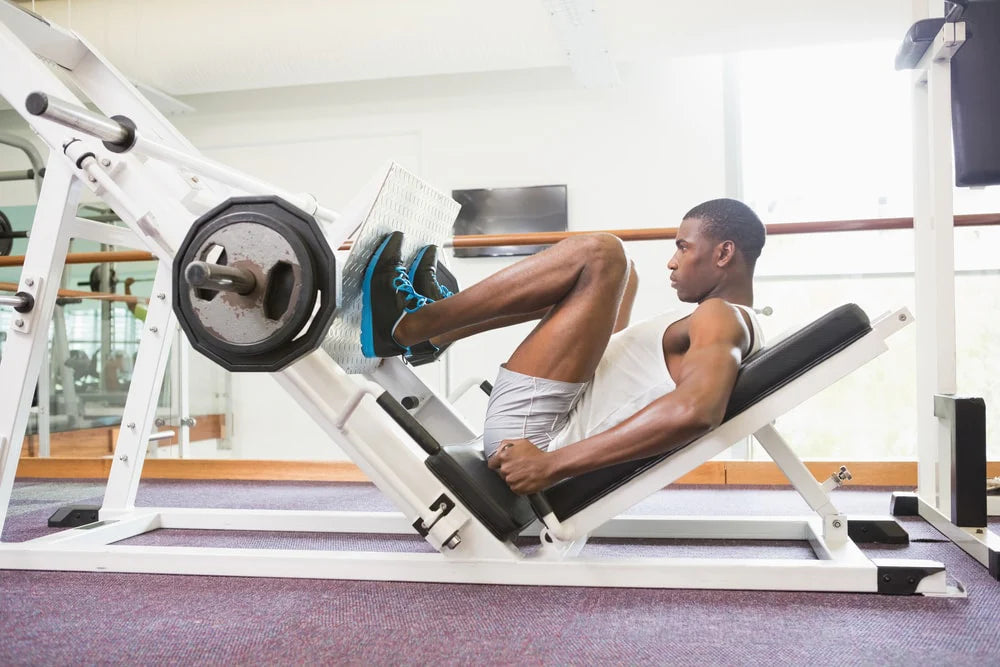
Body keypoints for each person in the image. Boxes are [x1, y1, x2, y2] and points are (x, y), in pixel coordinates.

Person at [360, 198, 766, 494]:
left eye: (683, 247)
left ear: (724, 252)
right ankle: (440, 331)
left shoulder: (720, 316)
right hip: (558, 416)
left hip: (536, 440)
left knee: (601, 254)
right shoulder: (731, 320)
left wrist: (551, 464)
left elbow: (697, 410)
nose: (673, 262)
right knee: (625, 276)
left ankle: (410, 326)